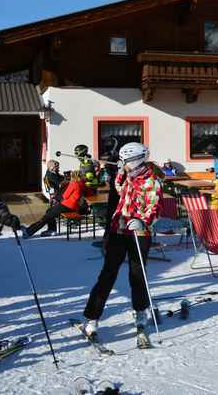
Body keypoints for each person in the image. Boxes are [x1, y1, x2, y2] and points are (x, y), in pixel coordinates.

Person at [81, 142, 162, 347]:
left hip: (139, 233)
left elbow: (155, 208)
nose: (123, 164)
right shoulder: (126, 176)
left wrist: (143, 220)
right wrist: (118, 171)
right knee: (108, 273)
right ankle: (92, 316)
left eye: (125, 161)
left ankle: (141, 311)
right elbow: (117, 189)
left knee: (137, 274)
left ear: (136, 161)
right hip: (119, 230)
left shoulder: (152, 182)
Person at [23, 171, 86, 238]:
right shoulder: (81, 184)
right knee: (49, 211)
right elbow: (88, 193)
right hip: (73, 206)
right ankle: (51, 229)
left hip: (67, 205)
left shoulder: (73, 183)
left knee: (47, 217)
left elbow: (65, 196)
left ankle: (29, 231)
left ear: (73, 177)